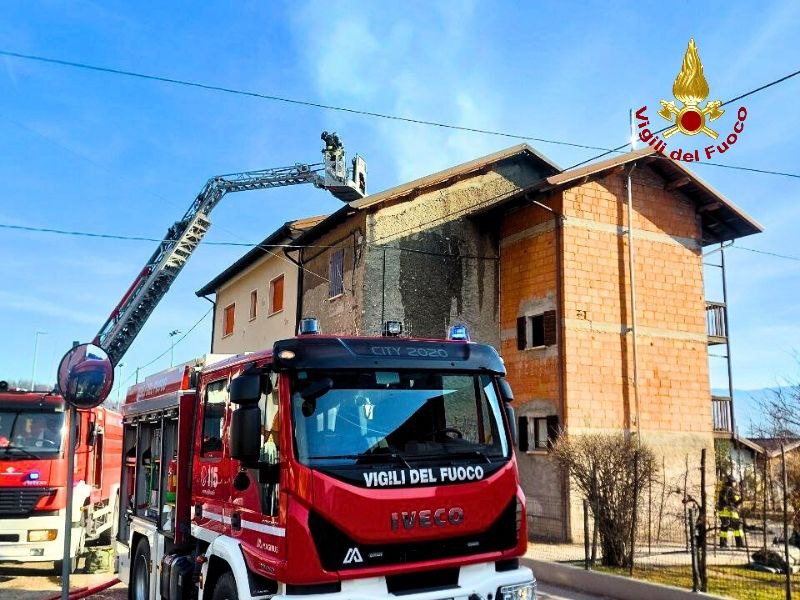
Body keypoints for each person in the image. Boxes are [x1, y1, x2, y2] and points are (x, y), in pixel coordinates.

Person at [718, 475, 744, 548]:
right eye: (734, 482)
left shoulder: (722, 490)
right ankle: (740, 544)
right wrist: (741, 500)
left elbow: (722, 502)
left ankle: (723, 544)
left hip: (722, 512)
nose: (735, 483)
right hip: (731, 513)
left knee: (724, 529)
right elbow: (734, 502)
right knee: (737, 528)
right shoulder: (730, 490)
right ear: (731, 482)